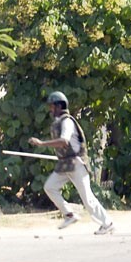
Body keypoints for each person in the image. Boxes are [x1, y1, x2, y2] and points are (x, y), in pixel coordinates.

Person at [29, 91, 114, 234]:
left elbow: (64, 142)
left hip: (76, 164)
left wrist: (42, 143)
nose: (50, 109)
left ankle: (107, 224)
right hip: (65, 164)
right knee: (50, 187)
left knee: (87, 198)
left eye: (52, 106)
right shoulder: (58, 122)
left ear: (58, 106)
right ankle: (69, 214)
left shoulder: (67, 122)